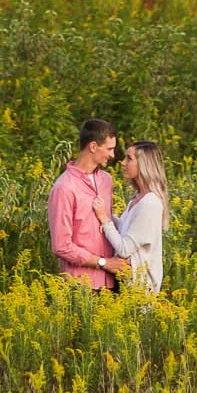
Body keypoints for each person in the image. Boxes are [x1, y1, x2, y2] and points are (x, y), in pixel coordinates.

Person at [47, 118, 121, 289]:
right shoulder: (64, 188)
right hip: (80, 285)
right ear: (93, 146)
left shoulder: (106, 181)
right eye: (109, 149)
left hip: (111, 282)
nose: (113, 155)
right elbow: (61, 245)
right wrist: (103, 262)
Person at [90, 139, 169, 292]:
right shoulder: (137, 197)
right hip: (126, 283)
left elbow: (125, 248)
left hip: (138, 290)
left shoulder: (150, 203)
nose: (123, 162)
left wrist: (104, 218)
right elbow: (127, 231)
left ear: (144, 165)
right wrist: (106, 214)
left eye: (129, 158)